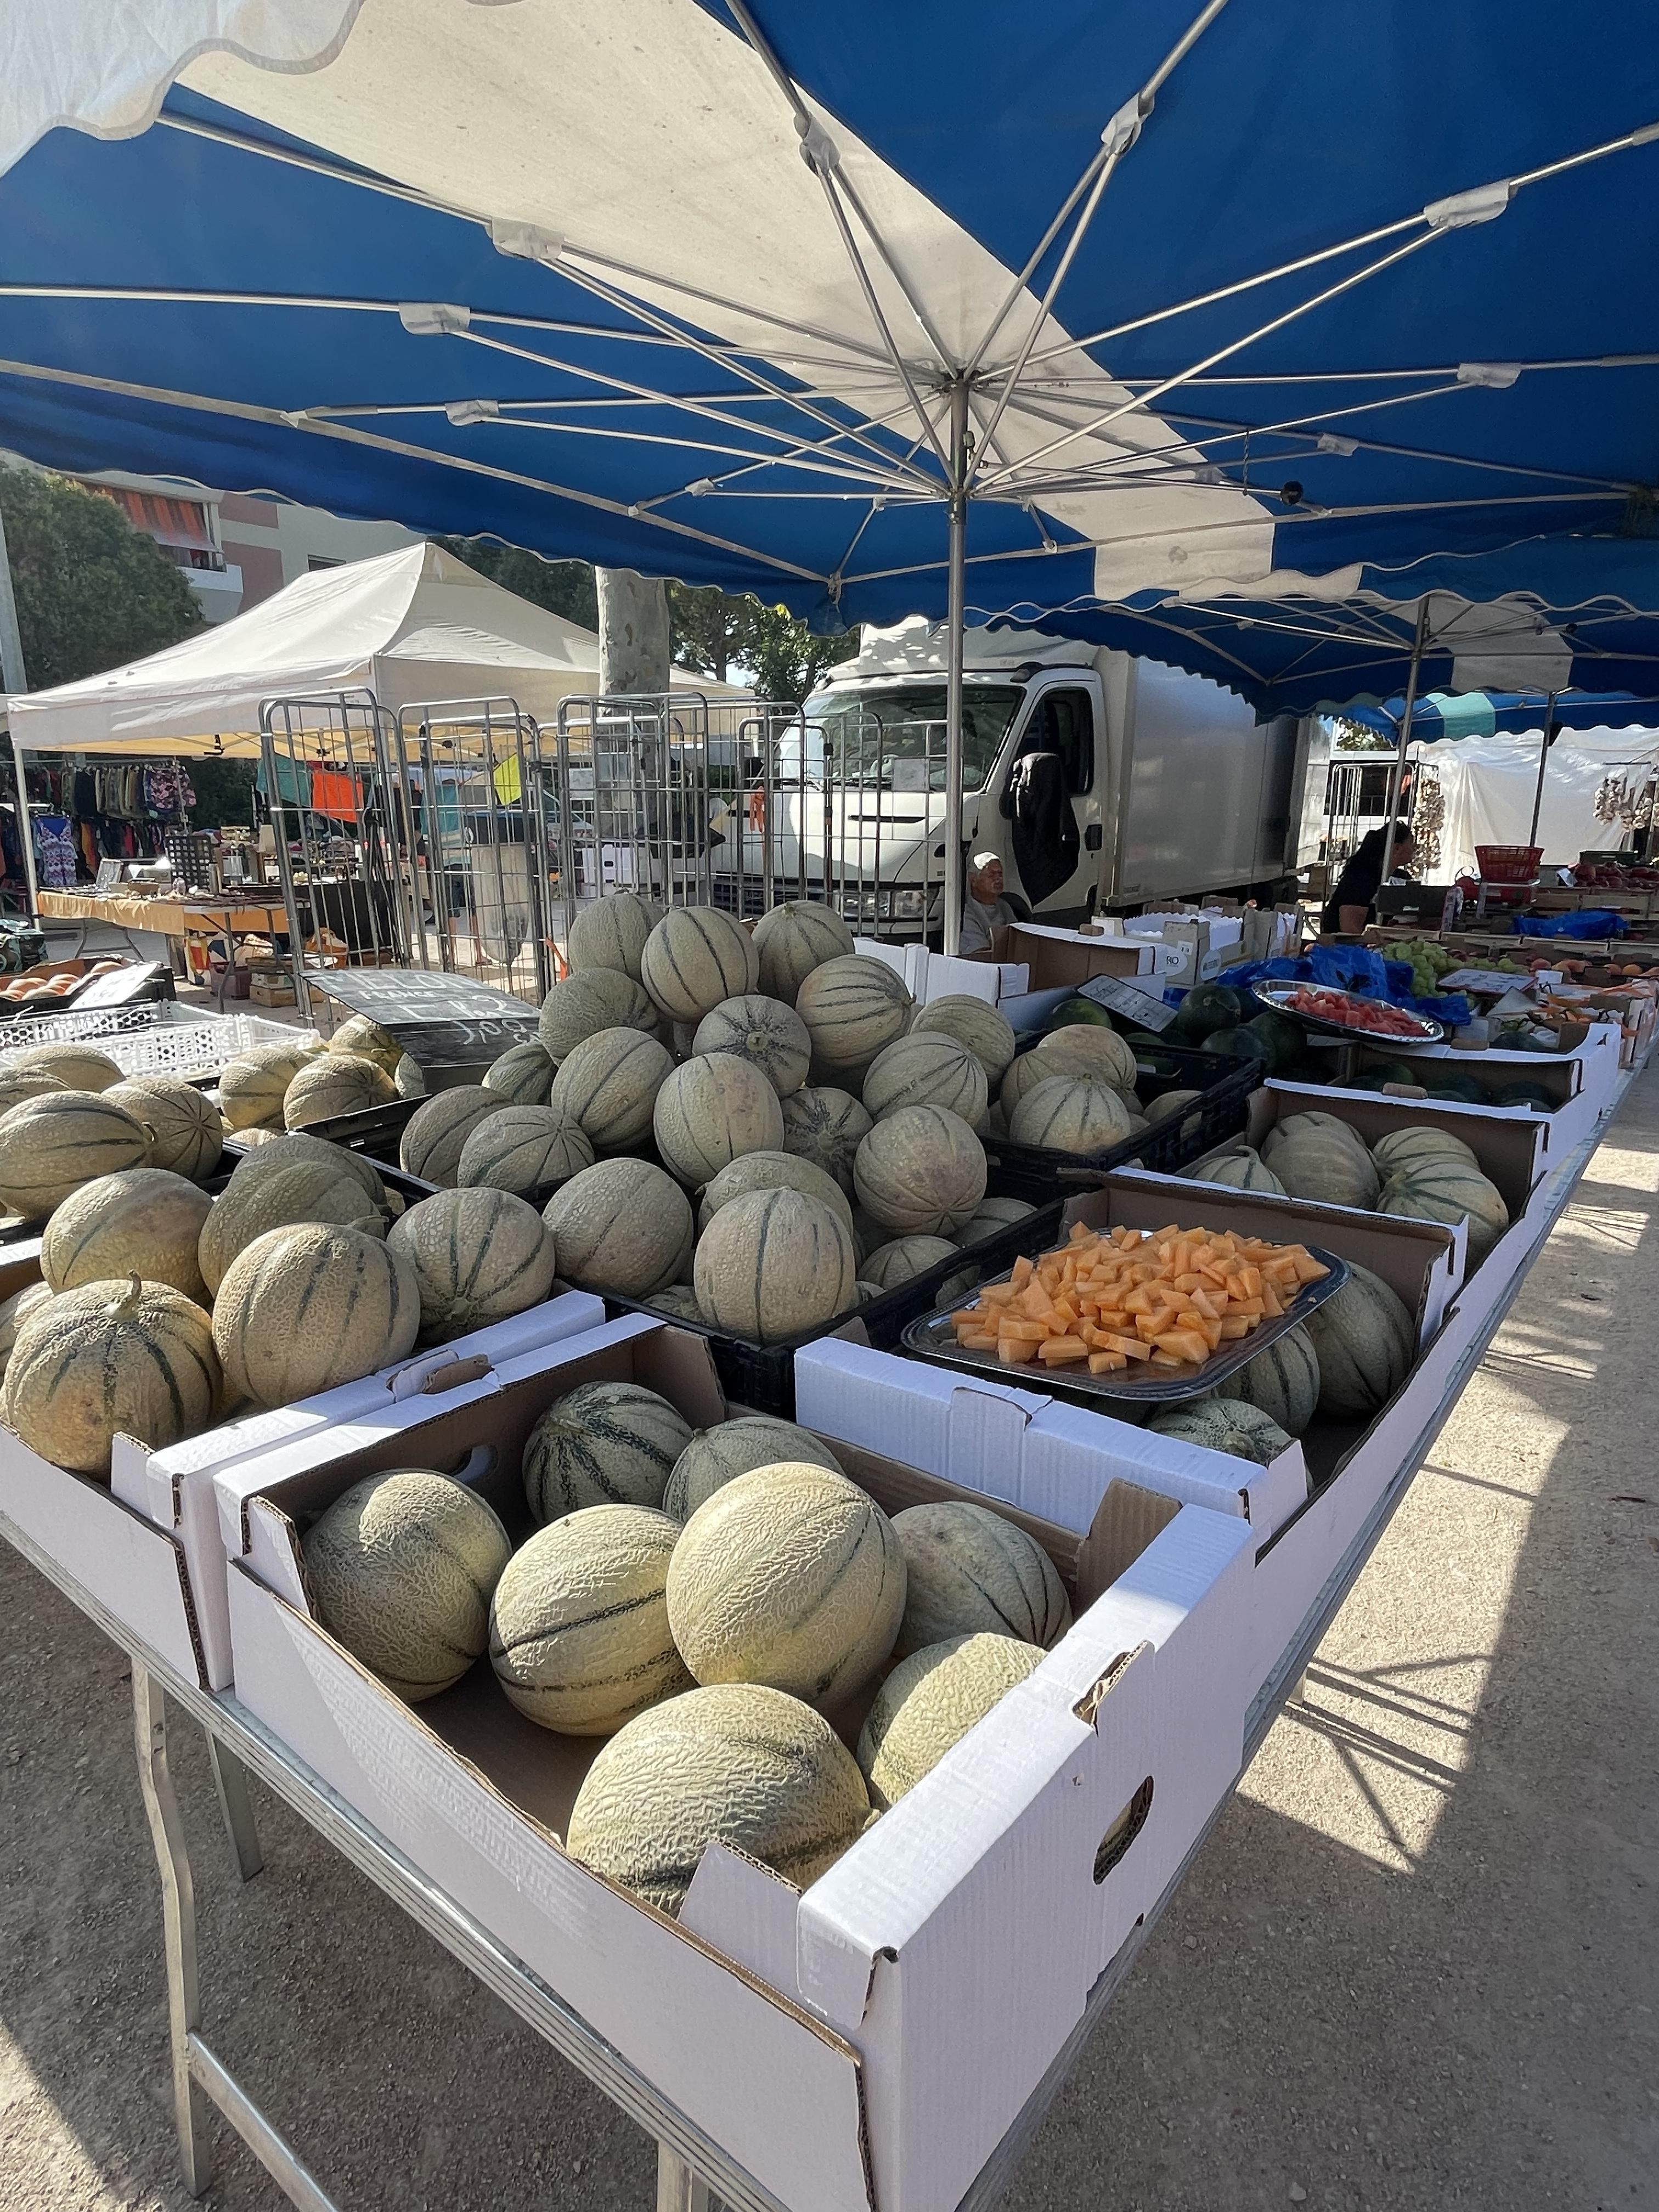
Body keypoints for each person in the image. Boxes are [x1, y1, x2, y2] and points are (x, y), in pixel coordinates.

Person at [1321, 821, 1416, 935]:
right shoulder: (1360, 879)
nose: (1414, 849)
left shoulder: (1402, 877)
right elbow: (1350, 929)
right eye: (1411, 844)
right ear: (1397, 848)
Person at [958, 850, 1017, 955]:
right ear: (974, 880)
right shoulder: (966, 912)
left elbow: (1018, 941)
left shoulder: (1004, 906)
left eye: (1000, 874)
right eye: (991, 875)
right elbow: (981, 954)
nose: (998, 879)